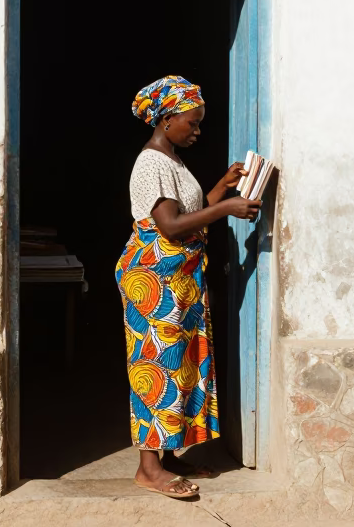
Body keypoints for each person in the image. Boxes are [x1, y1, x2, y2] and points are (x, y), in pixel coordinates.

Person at [116, 75, 261, 499]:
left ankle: (169, 455)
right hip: (154, 279)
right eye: (192, 122)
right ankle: (148, 468)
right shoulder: (152, 163)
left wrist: (222, 186)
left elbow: (190, 210)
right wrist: (228, 209)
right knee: (156, 367)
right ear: (165, 120)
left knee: (180, 364)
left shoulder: (173, 162)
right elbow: (172, 225)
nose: (197, 130)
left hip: (178, 280)